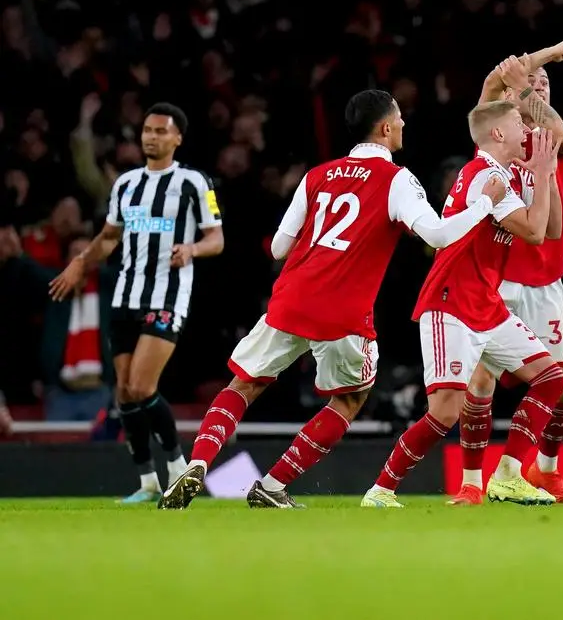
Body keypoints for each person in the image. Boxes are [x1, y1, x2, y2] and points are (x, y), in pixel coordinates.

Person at [158, 90, 505, 509]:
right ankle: (271, 485)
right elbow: (438, 236)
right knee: (350, 398)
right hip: (341, 313)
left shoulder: (318, 174)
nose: (405, 126)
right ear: (386, 127)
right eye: (400, 119)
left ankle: (197, 463)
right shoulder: (397, 179)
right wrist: (486, 203)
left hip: (290, 299)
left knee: (243, 385)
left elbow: (279, 249)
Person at [362, 102, 563, 508]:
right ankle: (381, 489)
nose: (523, 127)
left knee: (552, 379)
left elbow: (552, 229)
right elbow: (532, 231)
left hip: (487, 305)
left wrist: (547, 177)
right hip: (451, 305)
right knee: (444, 413)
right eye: (515, 122)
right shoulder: (484, 176)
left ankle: (508, 475)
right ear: (497, 134)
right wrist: (543, 175)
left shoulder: (505, 177)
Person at [49, 103, 225, 504]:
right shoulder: (126, 184)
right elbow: (110, 237)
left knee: (143, 385)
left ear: (177, 138)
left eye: (161, 131)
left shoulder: (194, 183)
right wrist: (80, 263)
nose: (152, 137)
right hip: (126, 296)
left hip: (167, 295)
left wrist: (192, 249)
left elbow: (217, 238)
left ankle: (179, 468)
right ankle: (147, 481)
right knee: (125, 393)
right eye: (147, 130)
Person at [452, 42, 563, 506]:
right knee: (481, 382)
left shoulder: (559, 132)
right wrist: (528, 67)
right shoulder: (497, 137)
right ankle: (471, 481)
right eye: (533, 84)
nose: (539, 87)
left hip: (546, 281)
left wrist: (527, 76)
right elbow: (490, 90)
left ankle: (542, 470)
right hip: (499, 279)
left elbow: (546, 118)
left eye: (546, 84)